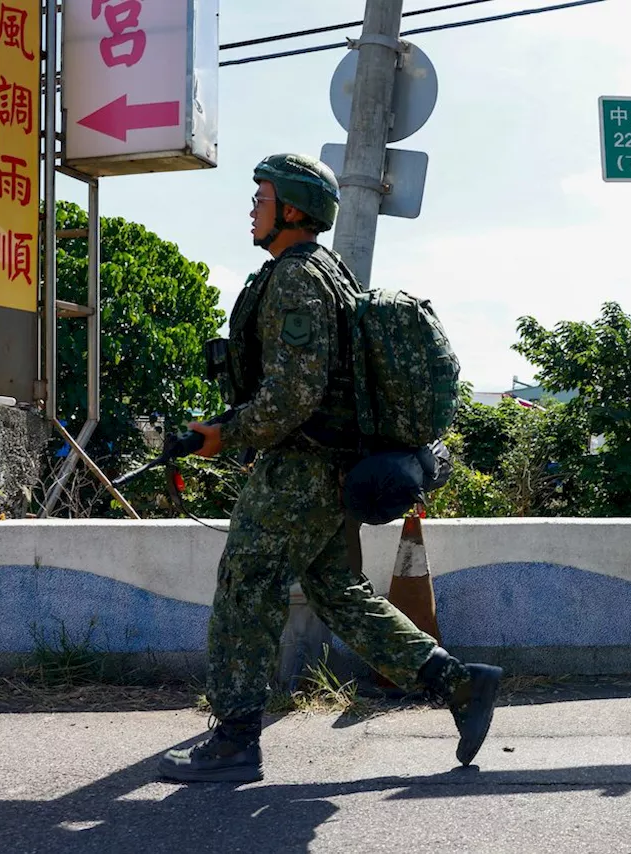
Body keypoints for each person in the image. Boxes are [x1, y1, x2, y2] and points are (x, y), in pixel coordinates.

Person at [158, 153, 501, 783]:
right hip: (329, 466)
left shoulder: (295, 279)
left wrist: (223, 434)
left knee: (246, 587)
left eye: (260, 195)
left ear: (292, 208)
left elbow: (294, 393)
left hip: (300, 469)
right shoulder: (328, 274)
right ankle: (458, 683)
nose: (252, 207)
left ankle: (235, 740)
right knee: (335, 592)